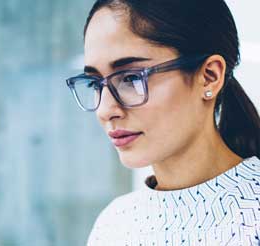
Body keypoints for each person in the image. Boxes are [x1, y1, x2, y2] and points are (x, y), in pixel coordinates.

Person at [65, 0, 260, 245]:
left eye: (131, 78)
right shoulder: (114, 225)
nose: (105, 110)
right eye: (95, 83)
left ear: (209, 76)